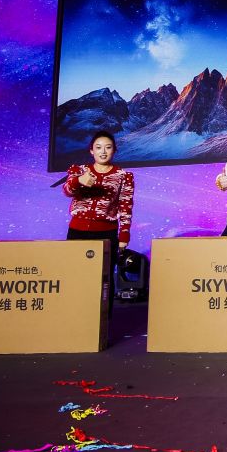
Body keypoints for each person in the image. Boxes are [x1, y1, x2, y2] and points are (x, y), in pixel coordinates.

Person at [63, 131, 134, 314]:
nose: (103, 151)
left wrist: (124, 235)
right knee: (75, 274)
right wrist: (79, 181)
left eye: (108, 147)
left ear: (114, 150)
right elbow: (67, 190)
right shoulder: (79, 170)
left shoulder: (123, 176)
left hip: (106, 233)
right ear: (91, 150)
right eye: (98, 147)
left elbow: (125, 206)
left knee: (104, 278)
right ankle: (73, 316)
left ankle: (102, 320)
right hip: (77, 231)